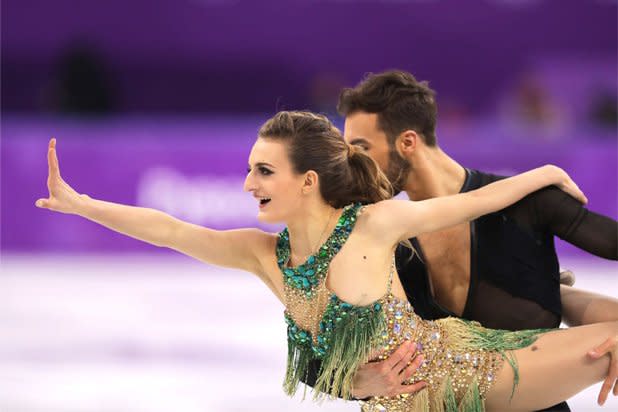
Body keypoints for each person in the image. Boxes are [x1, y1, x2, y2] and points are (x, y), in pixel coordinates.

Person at [36, 112, 617, 411]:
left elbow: (476, 201)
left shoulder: (373, 225)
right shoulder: (266, 256)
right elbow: (169, 229)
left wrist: (542, 175)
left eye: (263, 171)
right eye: (248, 169)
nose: (247, 184)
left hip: (473, 374)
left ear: (307, 180)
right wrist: (82, 204)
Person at [334, 70, 618, 410]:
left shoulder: (528, 202)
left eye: (361, 148)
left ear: (407, 143)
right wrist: (356, 384)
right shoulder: (383, 238)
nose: (351, 163)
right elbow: (320, 350)